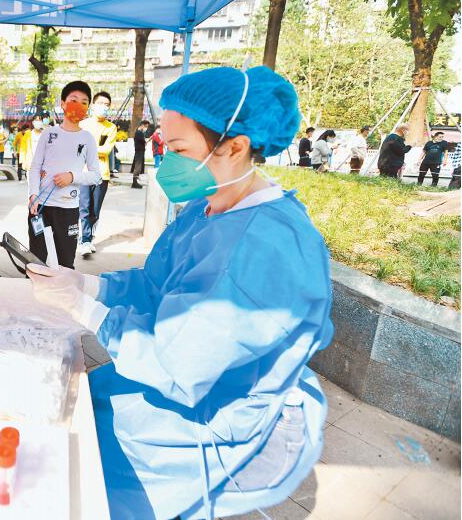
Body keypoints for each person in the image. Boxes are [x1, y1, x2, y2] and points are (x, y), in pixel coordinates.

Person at [26, 66, 332, 520]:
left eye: (180, 149)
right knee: (74, 417)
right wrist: (88, 284)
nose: (168, 162)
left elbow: (183, 364)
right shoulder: (208, 207)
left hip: (210, 412)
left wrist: (85, 310)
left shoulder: (264, 248)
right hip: (161, 370)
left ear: (235, 147)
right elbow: (156, 283)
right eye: (166, 147)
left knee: (94, 486)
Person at [27, 81, 101, 268]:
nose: (78, 105)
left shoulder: (87, 138)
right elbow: (35, 167)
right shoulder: (49, 134)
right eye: (73, 100)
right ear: (63, 104)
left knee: (66, 263)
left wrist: (72, 177)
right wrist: (33, 195)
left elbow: (96, 176)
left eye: (84, 102)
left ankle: (63, 287)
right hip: (41, 207)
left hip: (68, 208)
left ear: (88, 108)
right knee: (35, 261)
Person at [78, 91, 117, 257]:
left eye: (107, 105)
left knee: (95, 210)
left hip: (102, 174)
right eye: (101, 103)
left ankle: (90, 237)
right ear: (93, 105)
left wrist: (89, 148)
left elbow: (106, 150)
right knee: (84, 208)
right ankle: (85, 240)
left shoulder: (111, 128)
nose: (104, 107)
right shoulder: (82, 124)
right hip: (84, 173)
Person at [19, 117, 44, 183]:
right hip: (31, 163)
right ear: (33, 122)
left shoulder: (45, 134)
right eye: (36, 120)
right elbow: (23, 148)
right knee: (31, 185)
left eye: (40, 120)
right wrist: (23, 161)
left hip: (43, 165)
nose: (38, 122)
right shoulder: (28, 134)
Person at [131, 120, 150, 188]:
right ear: (142, 125)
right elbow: (142, 141)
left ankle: (135, 181)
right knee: (137, 167)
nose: (146, 128)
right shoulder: (139, 132)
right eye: (145, 126)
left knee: (138, 167)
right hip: (139, 151)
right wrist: (145, 141)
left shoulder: (139, 132)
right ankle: (134, 183)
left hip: (140, 151)